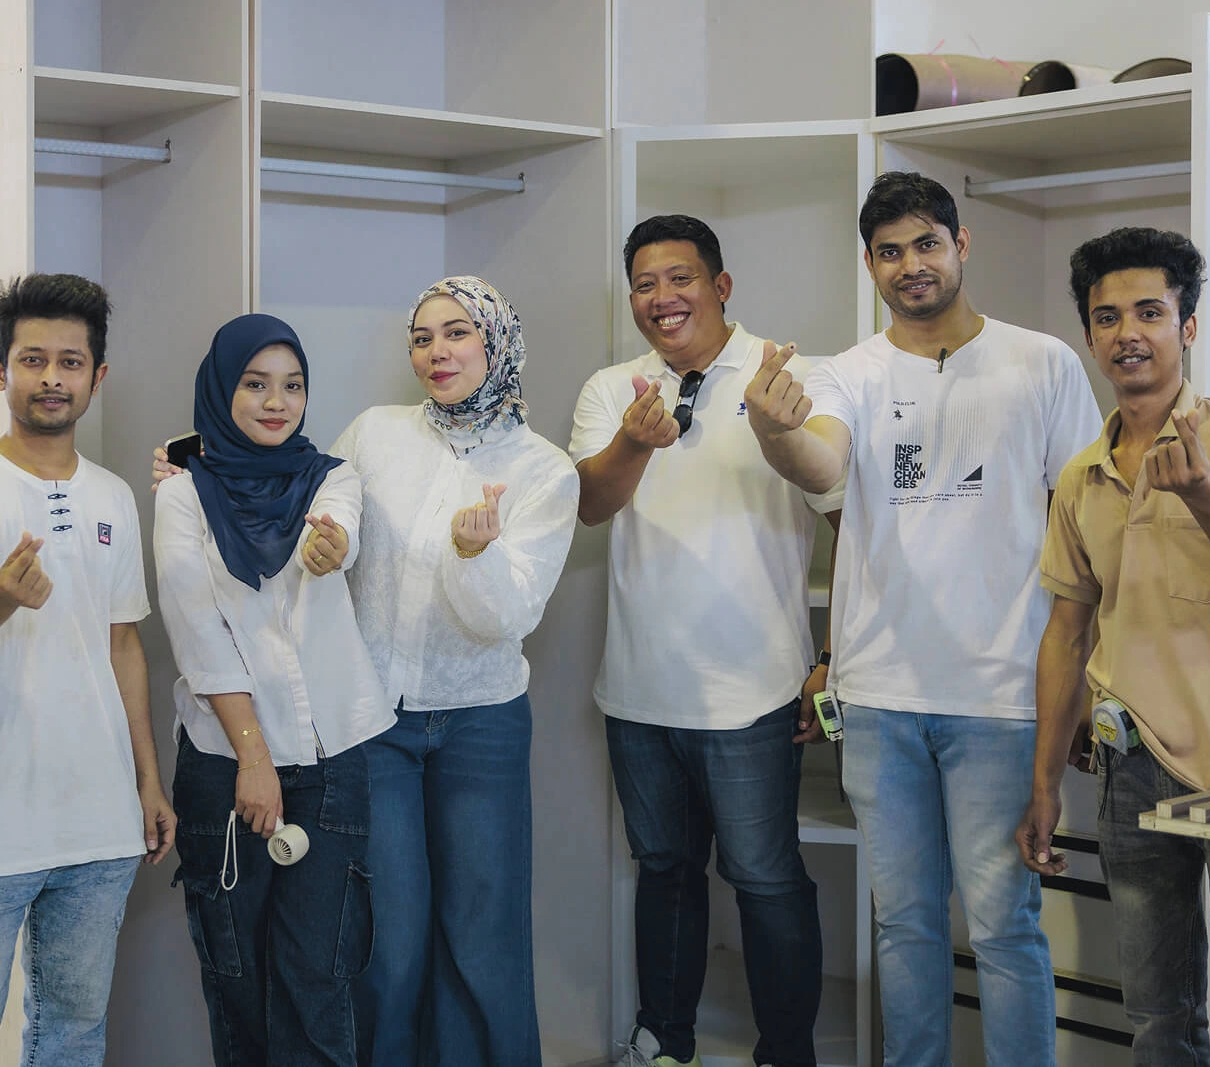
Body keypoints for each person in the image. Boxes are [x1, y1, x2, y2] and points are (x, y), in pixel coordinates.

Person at [152, 276, 579, 1067]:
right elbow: (293, 479)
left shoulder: (546, 470)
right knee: (387, 940)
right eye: (422, 337)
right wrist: (193, 462)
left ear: (497, 341)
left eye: (457, 332)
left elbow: (507, 617)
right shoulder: (376, 435)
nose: (437, 351)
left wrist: (473, 556)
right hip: (375, 726)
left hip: (481, 724)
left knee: (483, 935)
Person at [744, 171, 1100, 1067]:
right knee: (903, 922)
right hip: (879, 701)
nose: (911, 265)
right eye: (890, 252)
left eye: (927, 244)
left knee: (1004, 925)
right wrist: (775, 431)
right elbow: (823, 466)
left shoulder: (1043, 363)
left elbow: (1085, 531)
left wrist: (1084, 678)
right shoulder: (845, 374)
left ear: (961, 245)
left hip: (1001, 695)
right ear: (870, 264)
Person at [1017, 228, 1210, 1067]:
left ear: (1188, 326)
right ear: (1089, 336)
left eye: (1150, 312)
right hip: (1130, 769)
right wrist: (1044, 785)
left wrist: (1207, 495)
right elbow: (1065, 633)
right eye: (1107, 318)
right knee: (1157, 1020)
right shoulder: (1082, 476)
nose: (1128, 334)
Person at [571, 214, 835, 1067]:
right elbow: (590, 504)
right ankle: (665, 1041)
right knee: (664, 870)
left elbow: (850, 519)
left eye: (680, 279)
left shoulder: (789, 377)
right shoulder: (612, 389)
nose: (662, 298)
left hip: (753, 692)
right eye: (644, 285)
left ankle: (786, 1052)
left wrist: (829, 661)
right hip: (639, 692)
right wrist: (634, 442)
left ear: (721, 286)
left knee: (766, 879)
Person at [0, 274, 176, 1066]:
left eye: (70, 362)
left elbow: (123, 646)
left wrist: (147, 782)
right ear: (1, 371)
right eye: (32, 360)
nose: (51, 377)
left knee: (72, 1037)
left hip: (98, 824)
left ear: (97, 376)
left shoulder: (114, 497)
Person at [157, 313, 395, 1067]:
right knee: (239, 983)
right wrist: (254, 758)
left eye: (292, 386)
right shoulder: (181, 495)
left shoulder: (329, 478)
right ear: (222, 389)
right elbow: (199, 635)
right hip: (224, 762)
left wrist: (333, 546)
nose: (276, 402)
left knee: (319, 977)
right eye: (256, 384)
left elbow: (339, 527)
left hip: (330, 759)